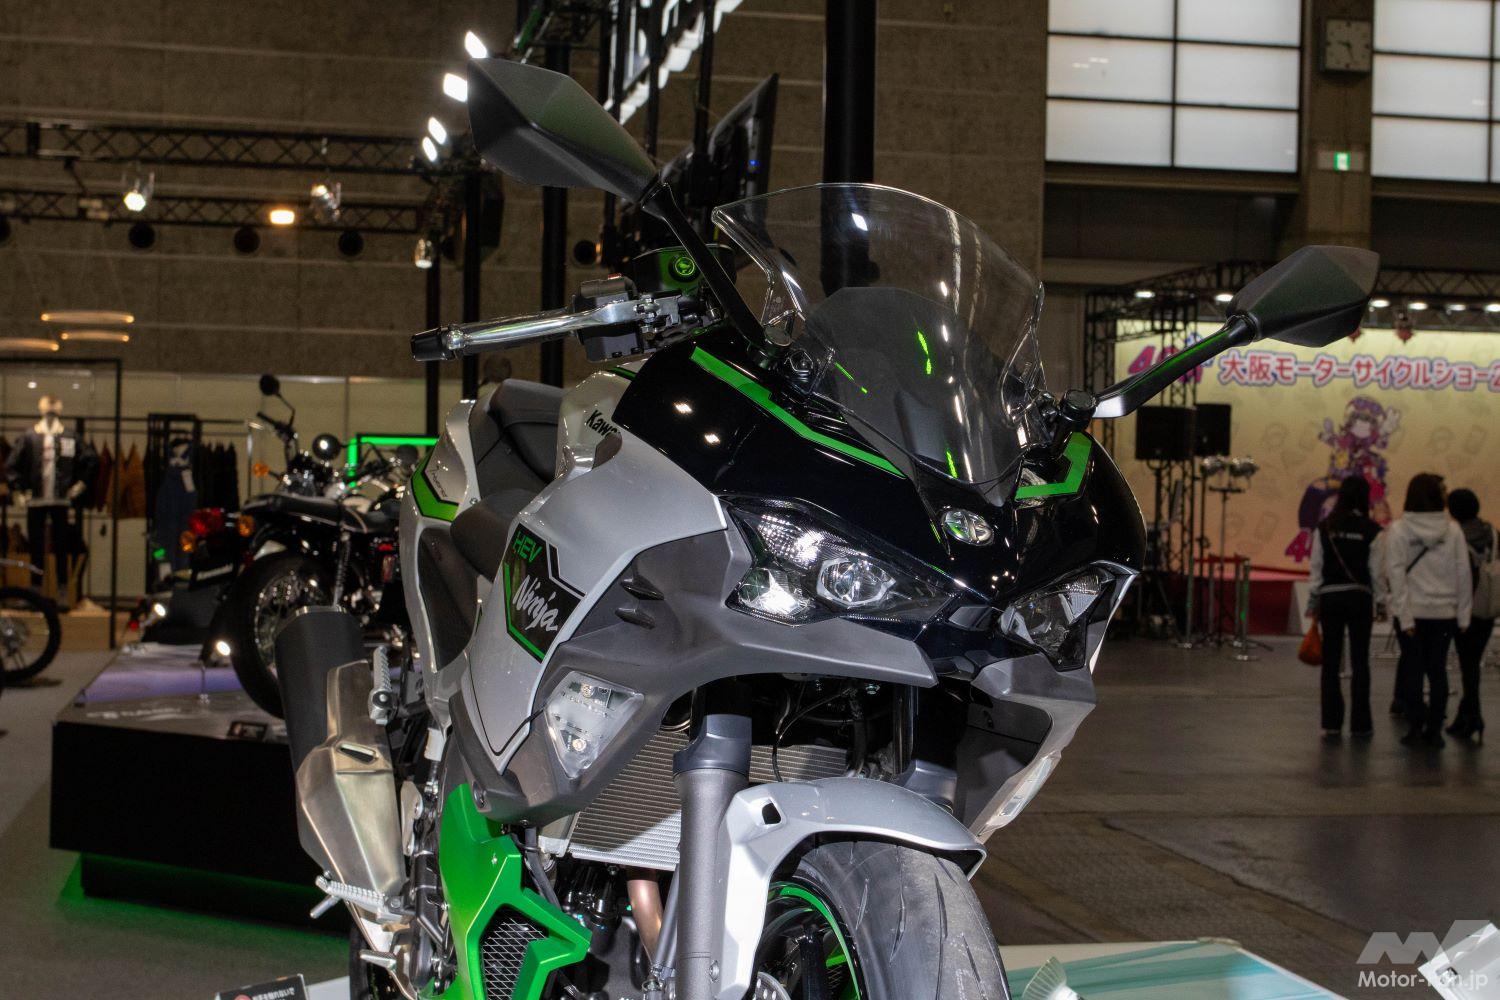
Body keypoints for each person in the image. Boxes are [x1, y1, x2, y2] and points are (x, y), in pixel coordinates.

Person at [1385, 473, 1472, 747]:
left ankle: (1414, 726)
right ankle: (1435, 730)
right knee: (1438, 671)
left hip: (1412, 613)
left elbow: (1396, 575)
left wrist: (1404, 617)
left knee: (1413, 670)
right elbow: (1463, 573)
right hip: (1444, 614)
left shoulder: (1399, 530)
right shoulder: (1453, 531)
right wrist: (1463, 614)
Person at [1307, 477, 1382, 738]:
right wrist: (1381, 603)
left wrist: (1313, 601)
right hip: (1360, 599)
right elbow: (1376, 572)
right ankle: (1361, 724)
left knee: (1331, 662)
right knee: (1360, 661)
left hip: (1331, 599)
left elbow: (1316, 569)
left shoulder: (1325, 527)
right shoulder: (1372, 530)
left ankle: (1331, 723)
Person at [1447, 488, 1492, 743]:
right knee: (1472, 663)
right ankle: (1467, 714)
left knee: (1468, 664)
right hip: (1487, 604)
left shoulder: (1456, 536)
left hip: (1464, 606)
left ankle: (1473, 715)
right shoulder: (1492, 532)